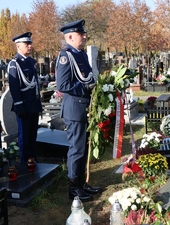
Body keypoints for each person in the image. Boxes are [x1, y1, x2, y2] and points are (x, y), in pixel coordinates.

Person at [56, 19, 100, 202]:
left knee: (82, 149)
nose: (84, 36)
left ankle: (81, 184)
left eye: (83, 34)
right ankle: (74, 190)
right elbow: (63, 84)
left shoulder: (80, 54)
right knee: (76, 150)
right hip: (74, 109)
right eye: (80, 34)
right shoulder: (66, 55)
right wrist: (86, 88)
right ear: (70, 36)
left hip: (84, 108)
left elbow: (88, 76)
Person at [7, 32, 42, 163]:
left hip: (33, 104)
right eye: (27, 44)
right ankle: (24, 162)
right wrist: (19, 105)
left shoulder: (31, 61)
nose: (30, 46)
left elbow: (34, 84)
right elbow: (14, 87)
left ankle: (33, 159)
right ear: (18, 46)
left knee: (33, 135)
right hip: (24, 106)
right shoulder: (14, 63)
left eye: (30, 44)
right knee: (25, 136)